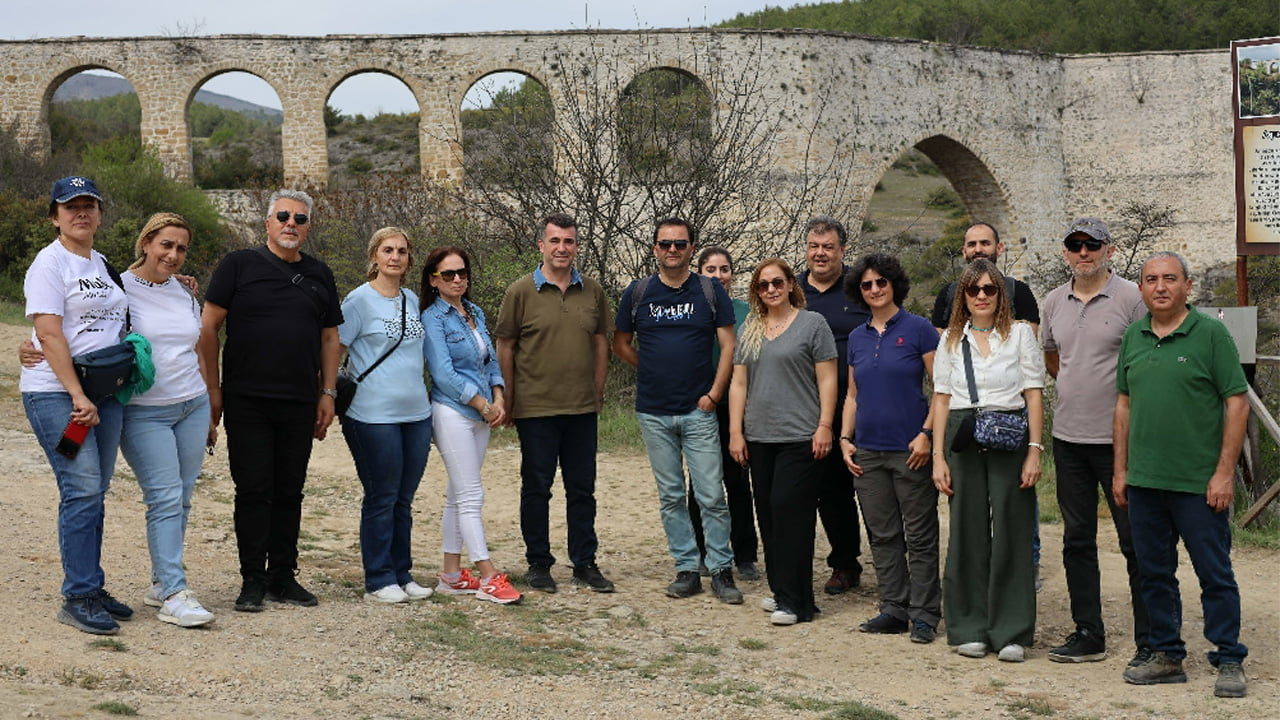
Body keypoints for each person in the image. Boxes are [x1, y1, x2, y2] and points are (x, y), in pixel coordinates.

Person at [198, 189, 342, 612]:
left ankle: (283, 576)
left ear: (308, 227)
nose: (290, 224)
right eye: (282, 216)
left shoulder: (320, 274)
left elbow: (330, 337)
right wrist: (214, 388)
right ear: (267, 222)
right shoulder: (238, 266)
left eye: (299, 218)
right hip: (248, 400)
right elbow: (209, 329)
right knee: (253, 489)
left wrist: (328, 393)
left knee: (290, 490)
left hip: (299, 399)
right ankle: (252, 581)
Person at [1113, 252, 1249, 698]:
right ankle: (1167, 654)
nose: (1160, 287)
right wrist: (1121, 470)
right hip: (1146, 482)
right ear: (1141, 288)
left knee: (1214, 572)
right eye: (1151, 279)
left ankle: (1229, 657)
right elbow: (1124, 404)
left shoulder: (1210, 334)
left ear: (1187, 286)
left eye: (1170, 278)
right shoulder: (1133, 335)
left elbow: (1236, 402)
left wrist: (1224, 473)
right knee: (1154, 572)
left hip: (1198, 482)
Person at [21, 177, 133, 635]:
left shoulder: (101, 262)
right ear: (55, 216)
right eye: (71, 207)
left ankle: (92, 583)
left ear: (100, 214)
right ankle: (78, 594)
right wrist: (77, 396)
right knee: (81, 485)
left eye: (89, 206)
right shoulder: (49, 264)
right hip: (58, 396)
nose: (81, 213)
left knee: (95, 488)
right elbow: (48, 333)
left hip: (101, 392)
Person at [614, 217, 743, 605]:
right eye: (665, 244)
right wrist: (650, 368)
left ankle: (720, 569)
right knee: (670, 495)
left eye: (680, 244)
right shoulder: (637, 293)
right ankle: (687, 568)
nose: (673, 250)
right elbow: (620, 343)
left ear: (690, 248)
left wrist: (715, 394)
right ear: (655, 248)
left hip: (699, 410)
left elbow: (730, 344)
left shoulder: (708, 291)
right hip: (653, 411)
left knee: (711, 494)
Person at [1040, 218, 1150, 664]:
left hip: (1120, 441)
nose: (1083, 252)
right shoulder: (1053, 301)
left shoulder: (1132, 298)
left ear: (1109, 249)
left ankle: (1151, 638)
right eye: (1074, 244)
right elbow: (1053, 358)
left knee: (1135, 541)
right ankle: (1088, 632)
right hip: (1068, 439)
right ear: (1065, 252)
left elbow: (1148, 359)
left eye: (1092, 245)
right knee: (1077, 539)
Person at [931, 258, 1045, 663]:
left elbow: (1033, 392)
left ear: (1001, 294)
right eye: (973, 290)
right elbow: (941, 399)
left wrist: (1035, 449)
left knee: (1013, 528)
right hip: (962, 432)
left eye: (990, 289)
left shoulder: (1019, 336)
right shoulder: (950, 340)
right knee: (966, 529)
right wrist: (937, 458)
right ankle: (969, 626)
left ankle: (1011, 629)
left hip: (1009, 431)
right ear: (963, 295)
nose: (981, 296)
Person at [494, 213, 615, 594]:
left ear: (577, 246)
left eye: (569, 241)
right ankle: (539, 563)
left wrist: (597, 390)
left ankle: (585, 562)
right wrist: (508, 399)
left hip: (581, 408)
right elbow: (506, 346)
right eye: (555, 241)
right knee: (536, 488)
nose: (562, 248)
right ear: (541, 245)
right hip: (535, 409)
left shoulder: (593, 291)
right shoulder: (520, 292)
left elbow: (600, 342)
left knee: (582, 489)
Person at [839, 253, 941, 644]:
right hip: (868, 452)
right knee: (882, 536)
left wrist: (927, 435)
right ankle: (894, 608)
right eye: (867, 284)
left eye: (881, 282)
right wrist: (846, 440)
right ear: (859, 291)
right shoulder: (858, 337)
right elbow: (852, 394)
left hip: (910, 449)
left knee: (919, 536)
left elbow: (940, 390)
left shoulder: (918, 330)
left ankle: (925, 614)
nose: (875, 289)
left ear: (894, 284)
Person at [728, 258, 837, 625]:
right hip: (760, 435)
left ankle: (796, 603)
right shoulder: (752, 327)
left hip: (801, 435)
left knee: (791, 512)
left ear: (791, 284)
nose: (771, 289)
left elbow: (827, 380)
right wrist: (735, 432)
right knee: (770, 516)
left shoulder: (812, 324)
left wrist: (825, 425)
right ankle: (783, 592)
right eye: (763, 285)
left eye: (777, 282)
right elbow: (738, 383)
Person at [337, 228, 434, 604]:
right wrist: (326, 395)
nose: (395, 257)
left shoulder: (412, 298)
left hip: (416, 414)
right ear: (374, 255)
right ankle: (378, 578)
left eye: (402, 251)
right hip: (372, 414)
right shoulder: (358, 302)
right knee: (382, 495)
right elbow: (334, 349)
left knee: (404, 498)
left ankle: (402, 572)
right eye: (388, 250)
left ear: (410, 259)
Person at [420, 246, 522, 605]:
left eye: (462, 272)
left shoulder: (474, 311)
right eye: (448, 274)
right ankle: (489, 576)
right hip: (453, 413)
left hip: (482, 413)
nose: (457, 279)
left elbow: (491, 361)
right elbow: (443, 373)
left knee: (457, 495)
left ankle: (451, 574)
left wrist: (498, 399)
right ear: (434, 280)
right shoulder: (433, 318)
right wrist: (480, 404)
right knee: (471, 496)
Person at [796, 216, 865, 595]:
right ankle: (844, 564)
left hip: (861, 407)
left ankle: (893, 568)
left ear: (842, 250)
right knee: (828, 490)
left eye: (828, 247)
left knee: (869, 488)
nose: (820, 254)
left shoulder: (862, 287)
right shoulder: (791, 290)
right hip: (808, 409)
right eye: (813, 246)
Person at [687, 246, 759, 580]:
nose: (718, 276)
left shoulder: (748, 311)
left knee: (738, 480)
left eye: (724, 269)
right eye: (711, 269)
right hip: (700, 404)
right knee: (700, 483)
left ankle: (744, 554)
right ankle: (701, 550)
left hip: (739, 405)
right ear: (699, 272)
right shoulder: (689, 309)